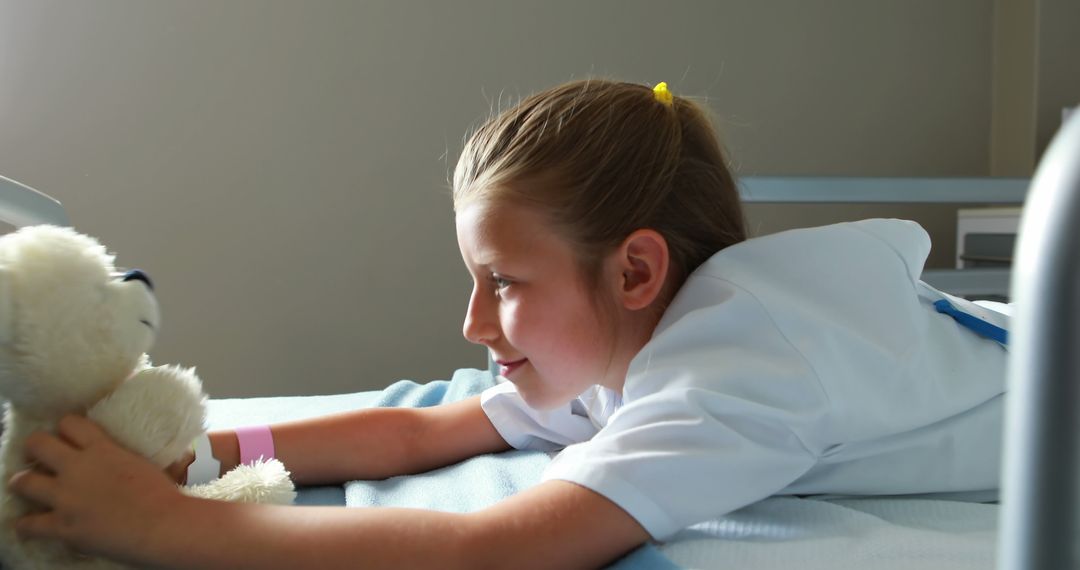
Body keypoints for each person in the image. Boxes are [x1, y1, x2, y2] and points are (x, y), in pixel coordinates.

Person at [7, 79, 1008, 569]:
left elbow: (484, 553)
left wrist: (158, 524)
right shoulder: (631, 344)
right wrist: (201, 450)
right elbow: (419, 432)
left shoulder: (736, 382)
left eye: (504, 283)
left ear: (636, 270)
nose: (473, 321)